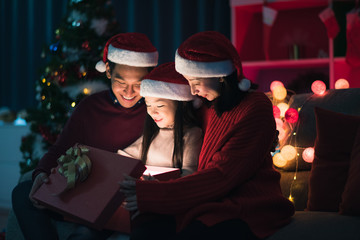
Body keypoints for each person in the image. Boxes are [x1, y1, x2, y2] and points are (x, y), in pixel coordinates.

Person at [120, 31, 295, 240]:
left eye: (195, 81)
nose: (192, 91)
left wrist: (155, 194)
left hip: (248, 206)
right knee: (145, 230)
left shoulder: (255, 108)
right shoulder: (205, 106)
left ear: (219, 74)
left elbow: (222, 175)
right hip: (207, 201)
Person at [11, 32, 158, 240]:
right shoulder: (90, 106)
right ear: (108, 71)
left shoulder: (156, 111)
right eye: (121, 81)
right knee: (22, 193)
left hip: (120, 200)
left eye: (139, 84)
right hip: (81, 190)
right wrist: (41, 173)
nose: (129, 91)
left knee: (88, 232)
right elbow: (59, 149)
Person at [118, 62, 203, 177]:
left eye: (160, 106)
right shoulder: (152, 135)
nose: (152, 112)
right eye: (148, 106)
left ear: (180, 104)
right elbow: (123, 157)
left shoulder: (191, 134)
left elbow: (189, 172)